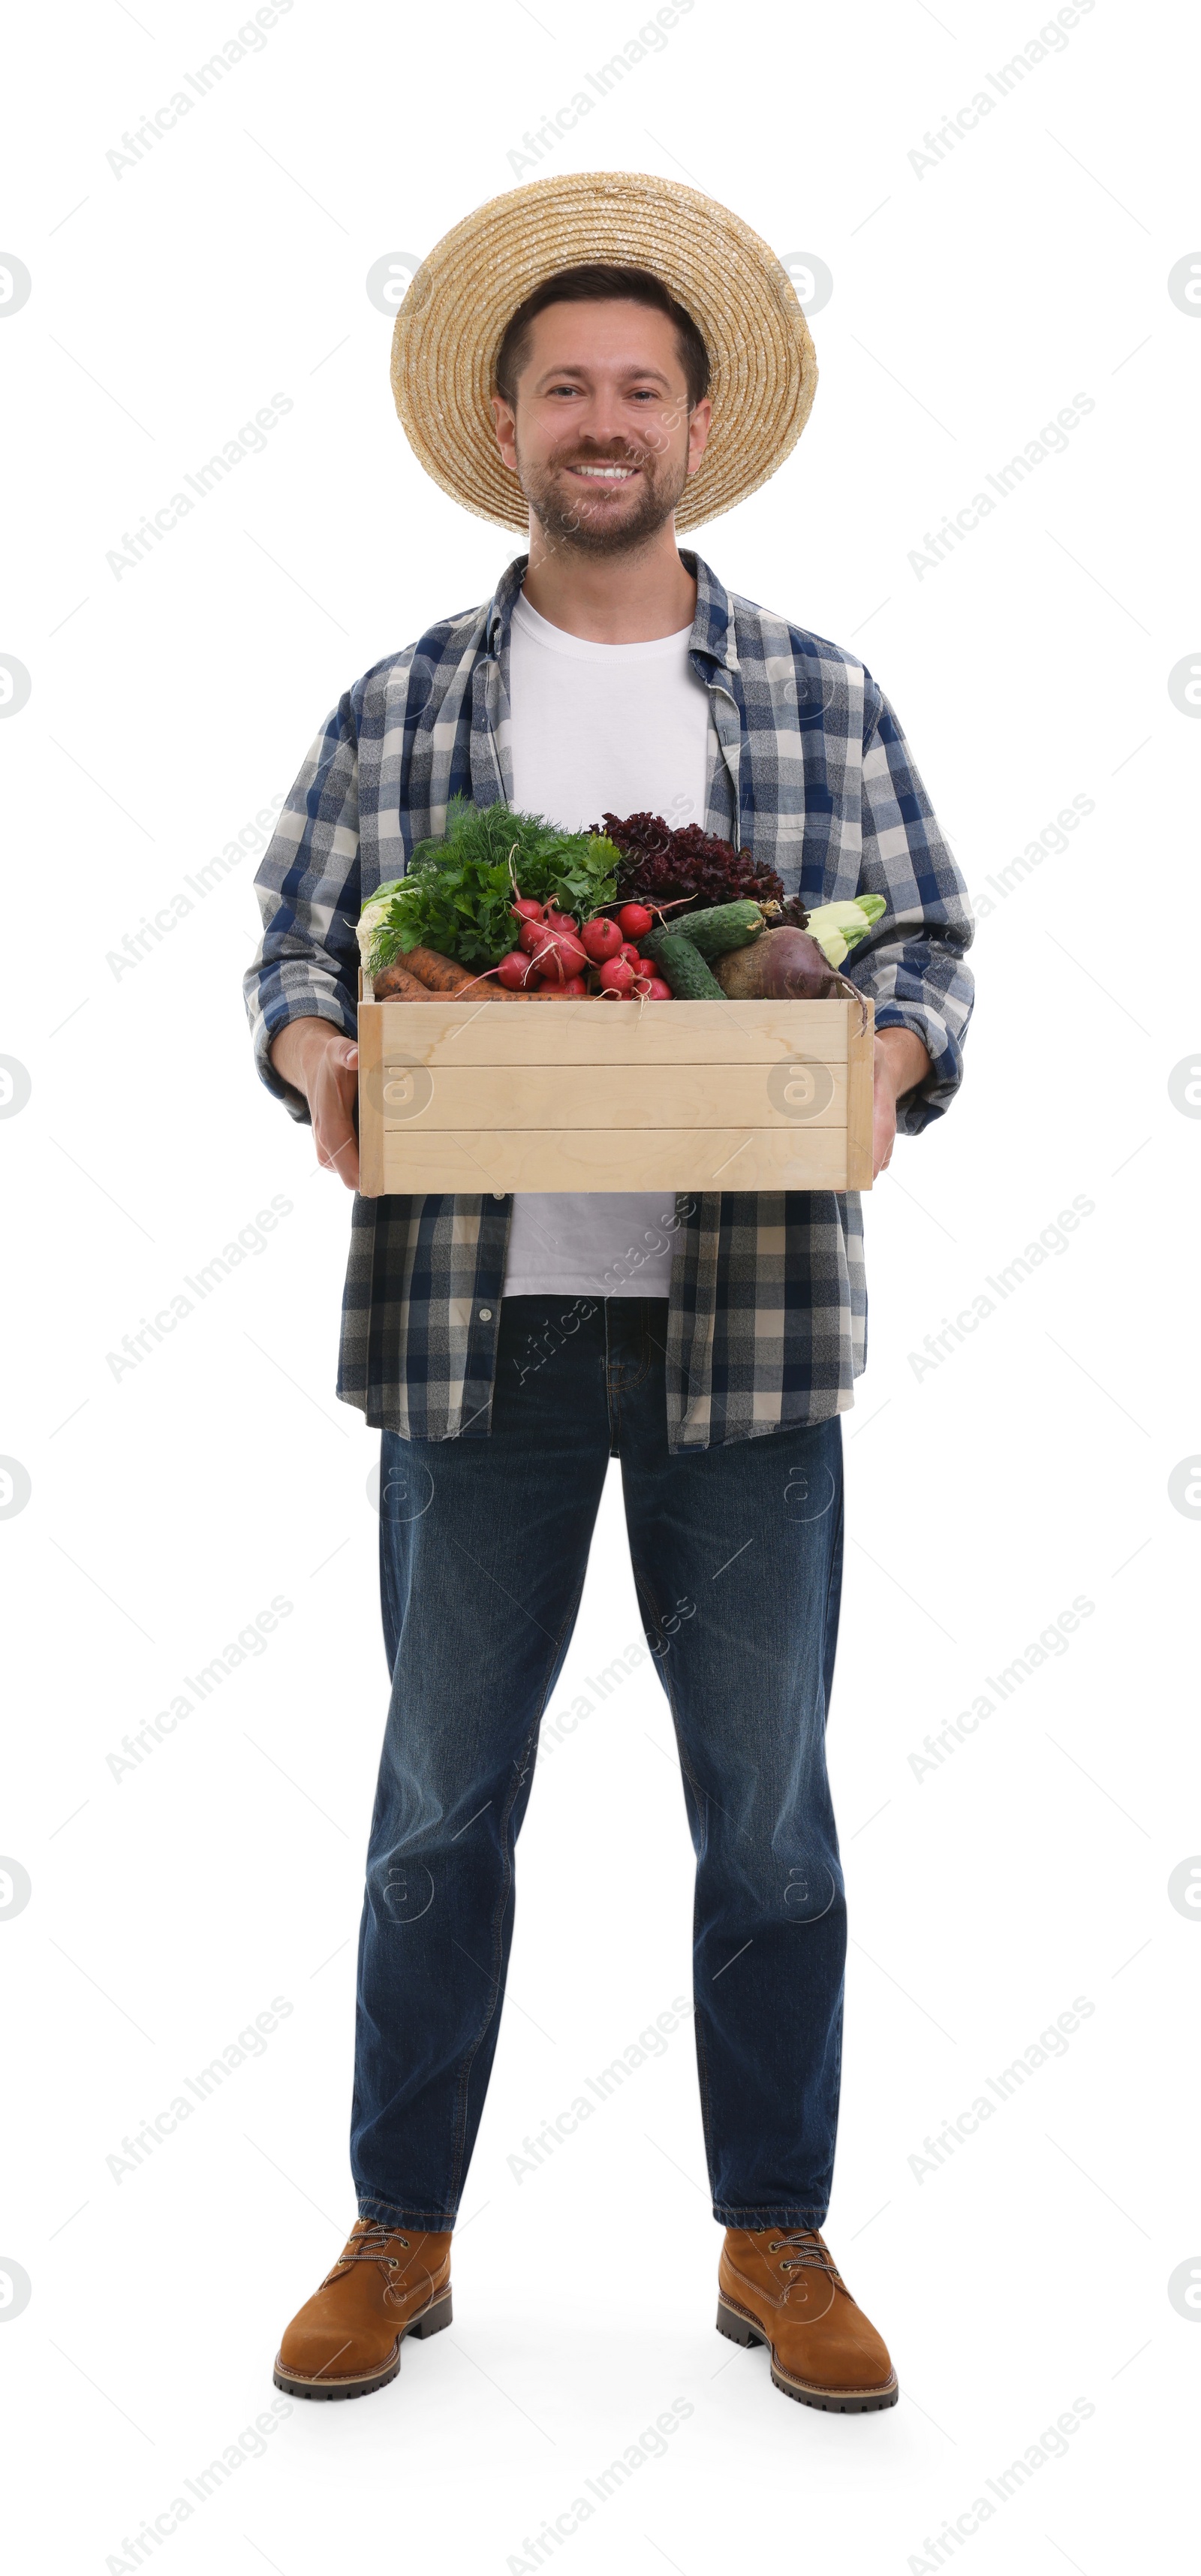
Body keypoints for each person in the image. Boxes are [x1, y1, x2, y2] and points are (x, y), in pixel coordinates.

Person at [245, 171, 973, 2413]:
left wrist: (892, 1058)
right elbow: (290, 949)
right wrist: (324, 1057)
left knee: (766, 1811)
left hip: (748, 1343)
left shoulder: (821, 699)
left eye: (640, 386)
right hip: (476, 1338)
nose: (602, 417)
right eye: (564, 382)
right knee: (440, 1805)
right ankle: (399, 2232)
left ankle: (778, 2235)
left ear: (694, 422)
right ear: (503, 418)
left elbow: (927, 950)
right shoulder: (406, 708)